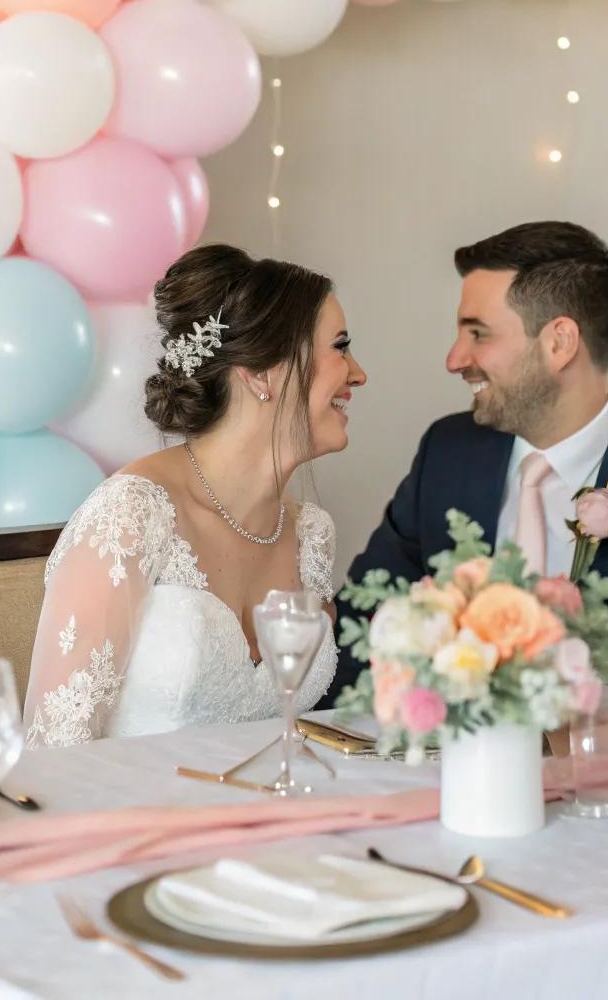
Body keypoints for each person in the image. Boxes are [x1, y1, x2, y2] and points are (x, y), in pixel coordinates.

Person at [338, 221, 608, 687]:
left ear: (559, 343)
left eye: (478, 334)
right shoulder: (447, 453)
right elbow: (365, 623)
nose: (455, 358)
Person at [24, 244, 366, 747]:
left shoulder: (311, 534)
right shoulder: (133, 515)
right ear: (261, 372)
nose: (358, 372)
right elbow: (54, 753)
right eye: (339, 346)